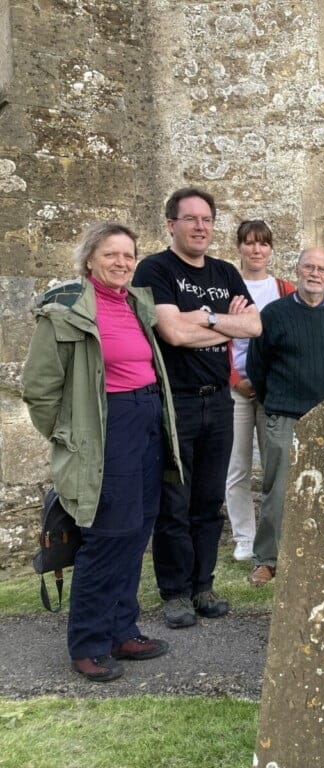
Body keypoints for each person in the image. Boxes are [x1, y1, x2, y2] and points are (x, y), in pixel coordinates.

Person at [23, 222, 183, 682]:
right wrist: (69, 435)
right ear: (90, 259)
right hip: (105, 429)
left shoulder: (135, 304)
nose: (122, 262)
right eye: (111, 254)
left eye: (128, 255)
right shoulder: (64, 312)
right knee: (107, 537)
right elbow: (39, 390)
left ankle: (121, 631)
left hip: (147, 421)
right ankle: (88, 644)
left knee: (135, 534)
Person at [133, 187, 261, 630]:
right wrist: (223, 325)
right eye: (191, 219)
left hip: (217, 400)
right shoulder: (155, 268)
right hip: (175, 402)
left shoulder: (226, 272)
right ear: (171, 224)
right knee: (175, 500)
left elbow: (254, 325)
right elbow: (171, 334)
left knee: (208, 499)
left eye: (207, 219)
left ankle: (203, 585)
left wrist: (203, 319)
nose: (201, 227)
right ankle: (174, 593)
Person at [246, 248, 324, 585]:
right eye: (309, 267)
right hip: (284, 415)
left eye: (322, 269)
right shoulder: (275, 313)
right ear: (297, 269)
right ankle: (268, 559)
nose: (315, 274)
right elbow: (257, 367)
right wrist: (276, 400)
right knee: (277, 491)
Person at [224, 220, 294, 563]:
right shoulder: (226, 287)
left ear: (270, 249)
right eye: (250, 243)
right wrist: (237, 378)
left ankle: (273, 535)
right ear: (239, 247)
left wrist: (267, 379)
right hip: (235, 386)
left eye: (263, 244)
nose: (256, 250)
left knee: (274, 465)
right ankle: (244, 537)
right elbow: (220, 339)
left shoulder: (283, 289)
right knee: (236, 465)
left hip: (272, 388)